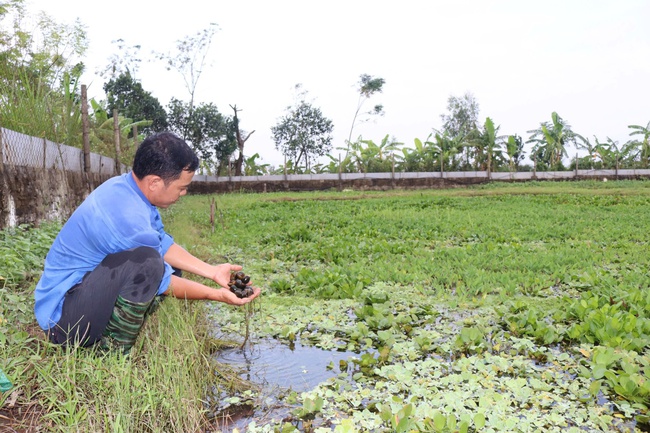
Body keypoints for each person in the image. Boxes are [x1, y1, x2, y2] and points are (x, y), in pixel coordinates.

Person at [34, 131, 261, 354]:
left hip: (84, 290)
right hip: (63, 322)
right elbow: (163, 280)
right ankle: (109, 351)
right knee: (150, 265)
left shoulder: (128, 189)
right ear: (154, 182)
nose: (183, 194)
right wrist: (216, 294)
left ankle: (114, 326)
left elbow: (162, 243)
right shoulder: (126, 218)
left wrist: (212, 272)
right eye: (181, 188)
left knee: (169, 264)